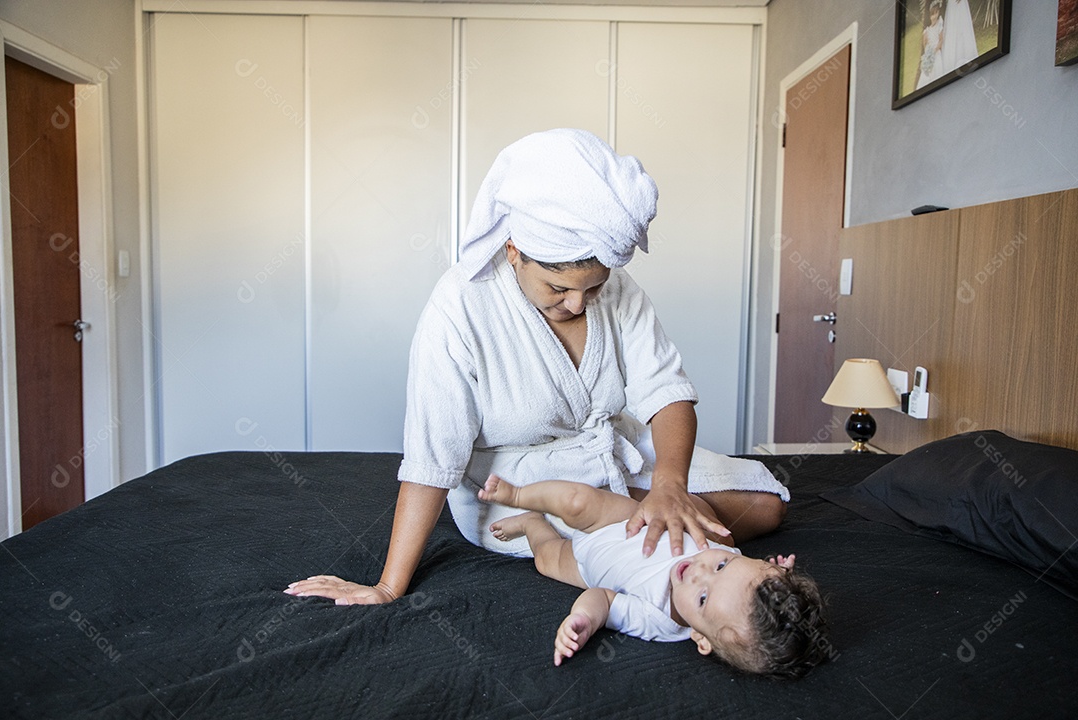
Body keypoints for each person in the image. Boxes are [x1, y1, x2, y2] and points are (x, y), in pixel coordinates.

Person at [286, 128, 789, 606]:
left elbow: (667, 391)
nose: (577, 304)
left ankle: (662, 514)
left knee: (765, 506)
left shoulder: (618, 292)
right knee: (690, 520)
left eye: (591, 288)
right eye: (558, 288)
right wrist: (389, 585)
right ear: (514, 251)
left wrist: (669, 485)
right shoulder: (460, 307)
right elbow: (431, 455)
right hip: (514, 483)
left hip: (611, 445)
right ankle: (668, 541)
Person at [476, 474, 828, 679]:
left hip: (588, 564)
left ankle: (530, 522)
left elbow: (605, 599)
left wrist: (582, 618)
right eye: (721, 566)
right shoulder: (732, 563)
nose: (699, 572)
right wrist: (779, 574)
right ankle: (518, 494)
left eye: (702, 598)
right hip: (625, 523)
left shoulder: (660, 621)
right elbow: (748, 576)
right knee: (576, 501)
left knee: (546, 559)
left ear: (699, 639)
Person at [940, 0, 979, 75]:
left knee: (963, 26)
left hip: (961, 4)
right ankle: (953, 60)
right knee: (952, 27)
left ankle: (966, 55)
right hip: (952, 4)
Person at [916, 0, 946, 89]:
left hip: (936, 52)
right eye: (933, 14)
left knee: (938, 70)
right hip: (929, 53)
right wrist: (928, 53)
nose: (934, 16)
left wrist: (936, 49)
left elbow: (941, 40)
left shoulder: (939, 25)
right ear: (930, 16)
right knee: (927, 74)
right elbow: (925, 44)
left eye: (936, 13)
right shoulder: (927, 31)